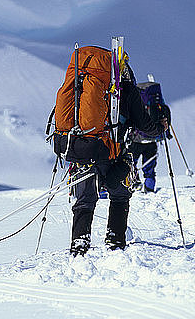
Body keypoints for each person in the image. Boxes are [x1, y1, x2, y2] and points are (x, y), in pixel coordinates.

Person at [67, 53, 168, 256]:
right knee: (120, 196)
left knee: (85, 200)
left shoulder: (81, 86)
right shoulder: (128, 90)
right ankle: (115, 240)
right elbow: (143, 124)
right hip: (114, 152)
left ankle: (80, 243)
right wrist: (160, 128)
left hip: (83, 149)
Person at [128, 88, 171, 193]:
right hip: (152, 139)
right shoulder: (158, 104)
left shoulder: (135, 101)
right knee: (150, 166)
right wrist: (166, 133)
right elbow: (166, 119)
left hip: (136, 140)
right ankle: (150, 187)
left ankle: (134, 183)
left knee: (131, 163)